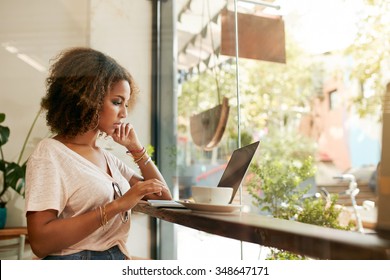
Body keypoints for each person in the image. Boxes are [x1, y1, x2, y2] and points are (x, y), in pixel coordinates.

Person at [25, 47, 172, 260]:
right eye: (117, 101)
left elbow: (164, 197)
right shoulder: (50, 153)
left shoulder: (107, 158)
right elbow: (40, 242)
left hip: (116, 256)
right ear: (88, 99)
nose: (124, 113)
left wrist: (136, 148)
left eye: (126, 103)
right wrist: (118, 205)